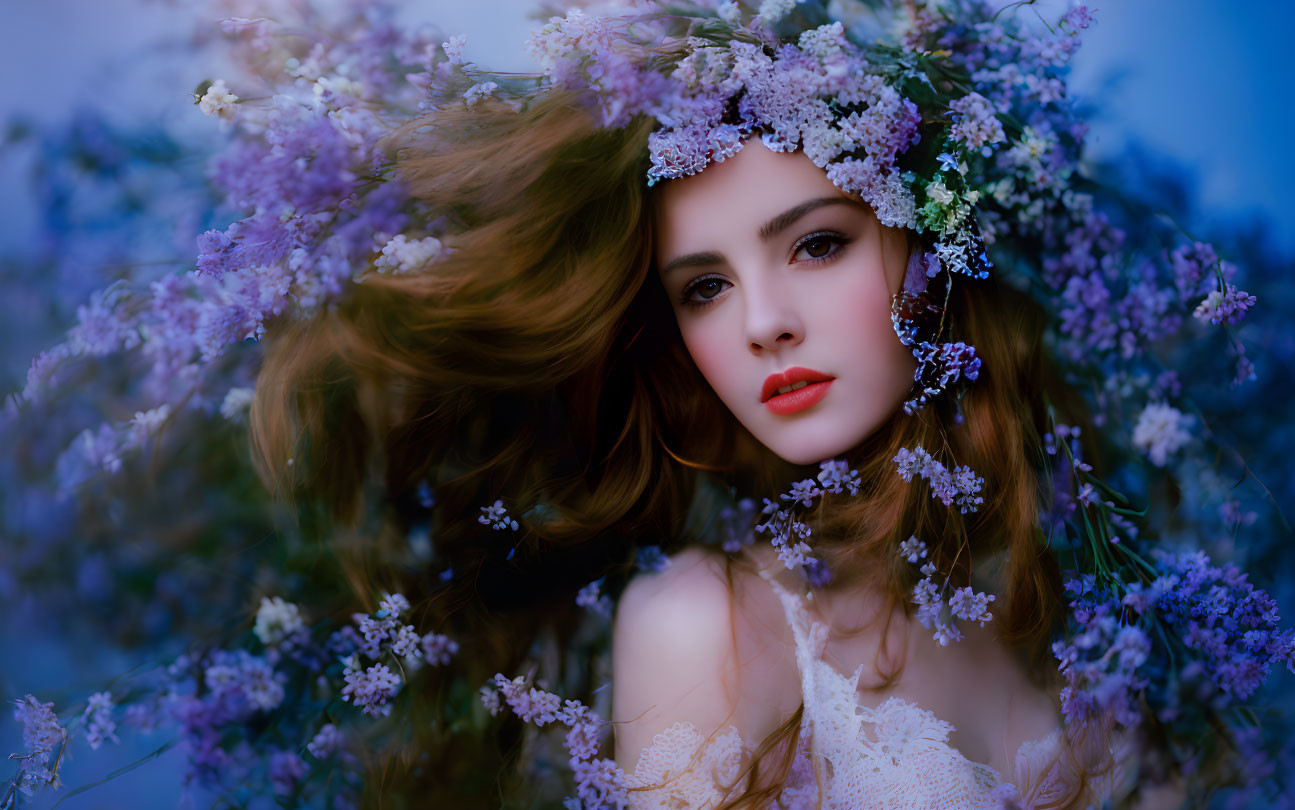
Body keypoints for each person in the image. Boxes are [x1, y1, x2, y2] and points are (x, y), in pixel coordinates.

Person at [247, 2, 1279, 807]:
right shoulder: (710, 624)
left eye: (816, 243)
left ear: (936, 250)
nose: (761, 324)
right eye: (703, 287)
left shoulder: (1088, 588)